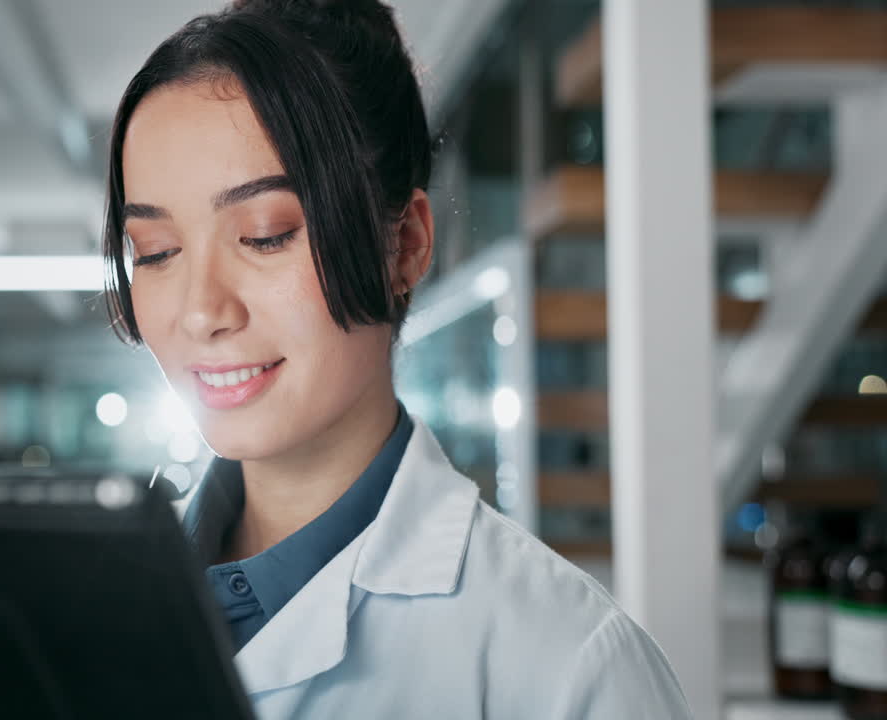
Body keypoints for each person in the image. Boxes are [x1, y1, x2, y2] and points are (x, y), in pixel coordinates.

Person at [100, 0, 696, 718]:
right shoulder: (88, 606)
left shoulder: (571, 666)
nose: (201, 311)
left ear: (406, 245)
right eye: (156, 252)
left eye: (264, 235)